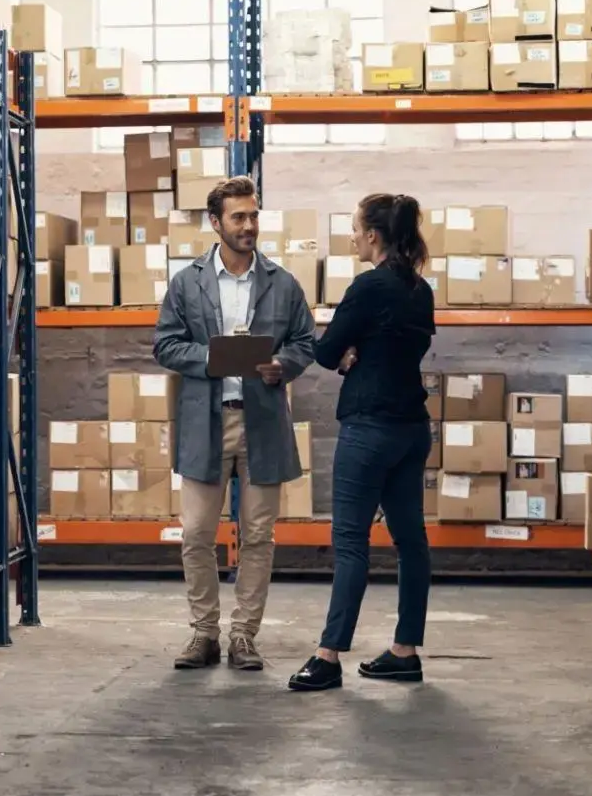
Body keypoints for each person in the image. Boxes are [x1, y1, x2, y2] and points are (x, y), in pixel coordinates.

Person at [153, 175, 316, 672]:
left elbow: (306, 341)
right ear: (215, 222)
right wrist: (212, 358)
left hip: (262, 422)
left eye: (254, 216)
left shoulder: (283, 283)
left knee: (259, 536)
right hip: (207, 421)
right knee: (197, 534)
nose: (249, 226)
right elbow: (165, 344)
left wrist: (282, 365)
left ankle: (244, 635)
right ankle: (204, 633)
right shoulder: (187, 283)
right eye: (239, 217)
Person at [288, 192, 437, 693]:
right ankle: (405, 651)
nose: (351, 236)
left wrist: (350, 354)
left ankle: (328, 656)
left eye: (355, 228)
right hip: (412, 429)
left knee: (351, 541)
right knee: (410, 540)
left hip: (369, 427)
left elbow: (325, 350)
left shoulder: (368, 285)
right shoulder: (421, 290)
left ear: (373, 235)